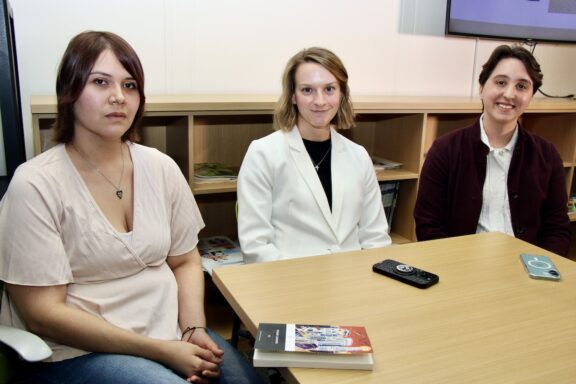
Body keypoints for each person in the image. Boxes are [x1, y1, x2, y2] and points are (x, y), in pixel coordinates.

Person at [0, 31, 262, 384]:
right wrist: (162, 352)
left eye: (130, 85)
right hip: (76, 353)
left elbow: (185, 261)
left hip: (169, 333)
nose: (117, 97)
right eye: (100, 82)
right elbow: (43, 315)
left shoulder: (161, 167)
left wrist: (194, 329)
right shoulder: (34, 184)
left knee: (246, 381)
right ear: (70, 92)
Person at [237, 47, 391, 263]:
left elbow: (376, 238)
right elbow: (256, 246)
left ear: (342, 94)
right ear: (292, 96)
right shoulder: (263, 153)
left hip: (353, 280)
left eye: (329, 89)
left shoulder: (358, 156)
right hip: (289, 283)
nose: (320, 101)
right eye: (307, 90)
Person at [414, 45, 570, 256]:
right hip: (460, 269)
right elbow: (428, 225)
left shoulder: (547, 155)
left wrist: (540, 270)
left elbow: (557, 229)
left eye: (522, 86)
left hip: (527, 273)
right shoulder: (445, 150)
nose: (509, 94)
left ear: (531, 95)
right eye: (500, 82)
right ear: (481, 88)